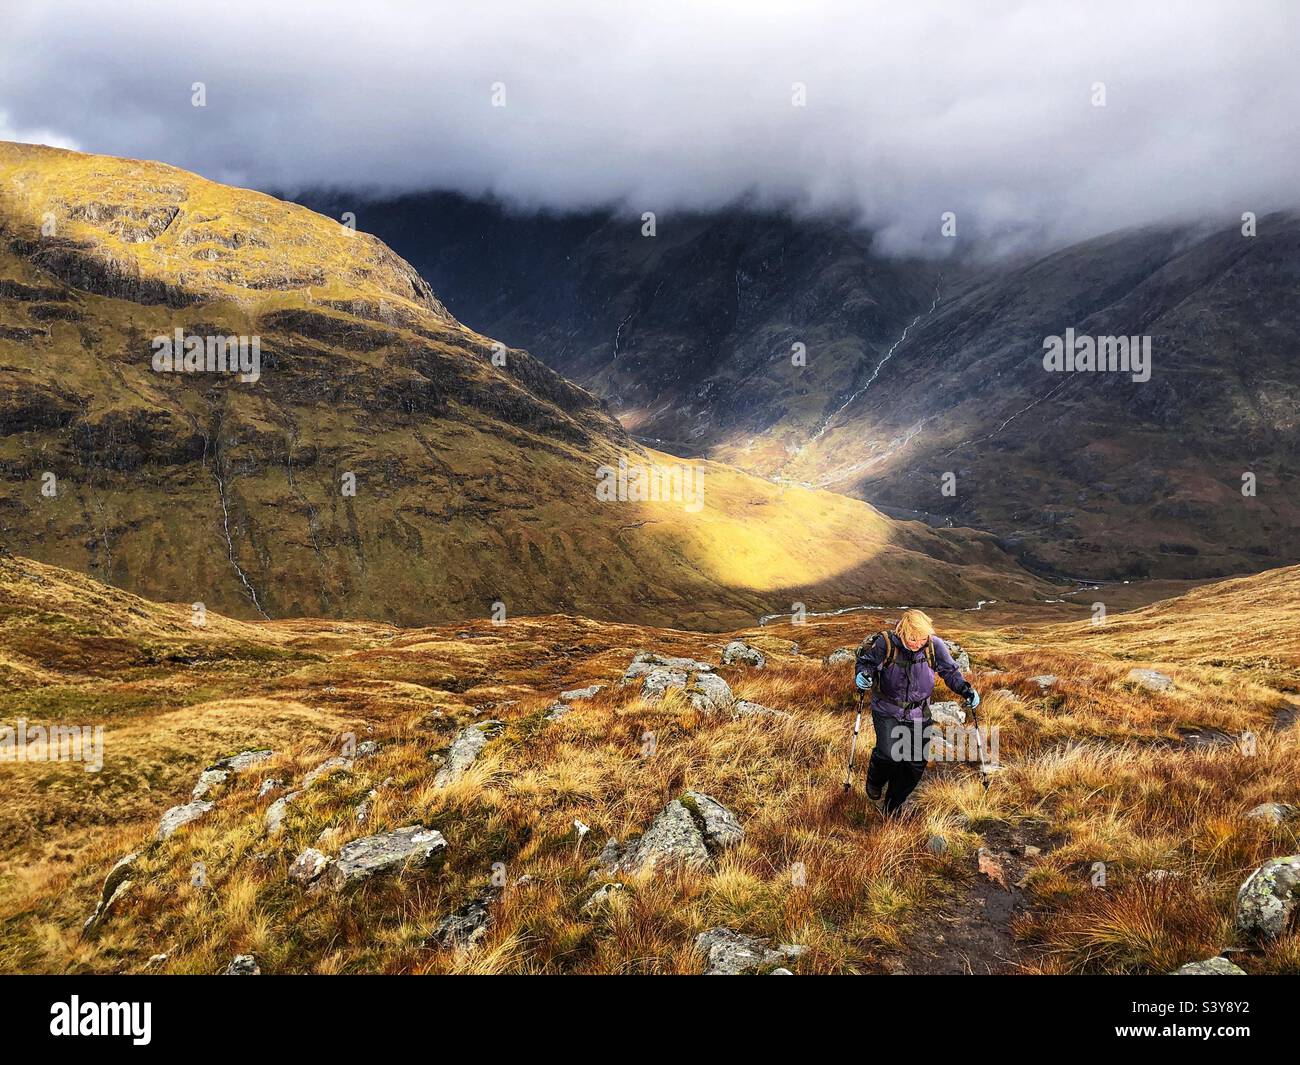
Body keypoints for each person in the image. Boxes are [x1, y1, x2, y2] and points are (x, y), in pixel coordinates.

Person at [853, 609, 978, 815]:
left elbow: (950, 672)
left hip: (919, 712)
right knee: (890, 754)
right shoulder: (886, 643)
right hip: (887, 710)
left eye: (922, 638)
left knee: (915, 763)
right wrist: (863, 675)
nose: (918, 643)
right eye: (913, 639)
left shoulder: (933, 645)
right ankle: (875, 781)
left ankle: (892, 805)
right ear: (902, 631)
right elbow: (865, 663)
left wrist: (966, 690)